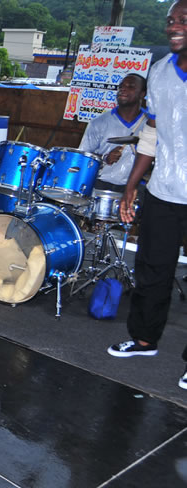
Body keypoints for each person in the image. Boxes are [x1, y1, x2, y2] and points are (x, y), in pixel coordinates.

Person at [107, 0, 187, 392]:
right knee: (152, 269)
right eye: (171, 20)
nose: (174, 26)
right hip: (165, 190)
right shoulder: (158, 72)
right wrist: (132, 184)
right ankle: (144, 339)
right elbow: (151, 135)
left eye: (183, 20)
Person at [78, 73, 148, 193]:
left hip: (137, 187)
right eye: (121, 86)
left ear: (143, 94)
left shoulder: (150, 124)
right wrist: (105, 158)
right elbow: (82, 158)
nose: (123, 89)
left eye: (130, 86)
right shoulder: (98, 123)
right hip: (101, 186)